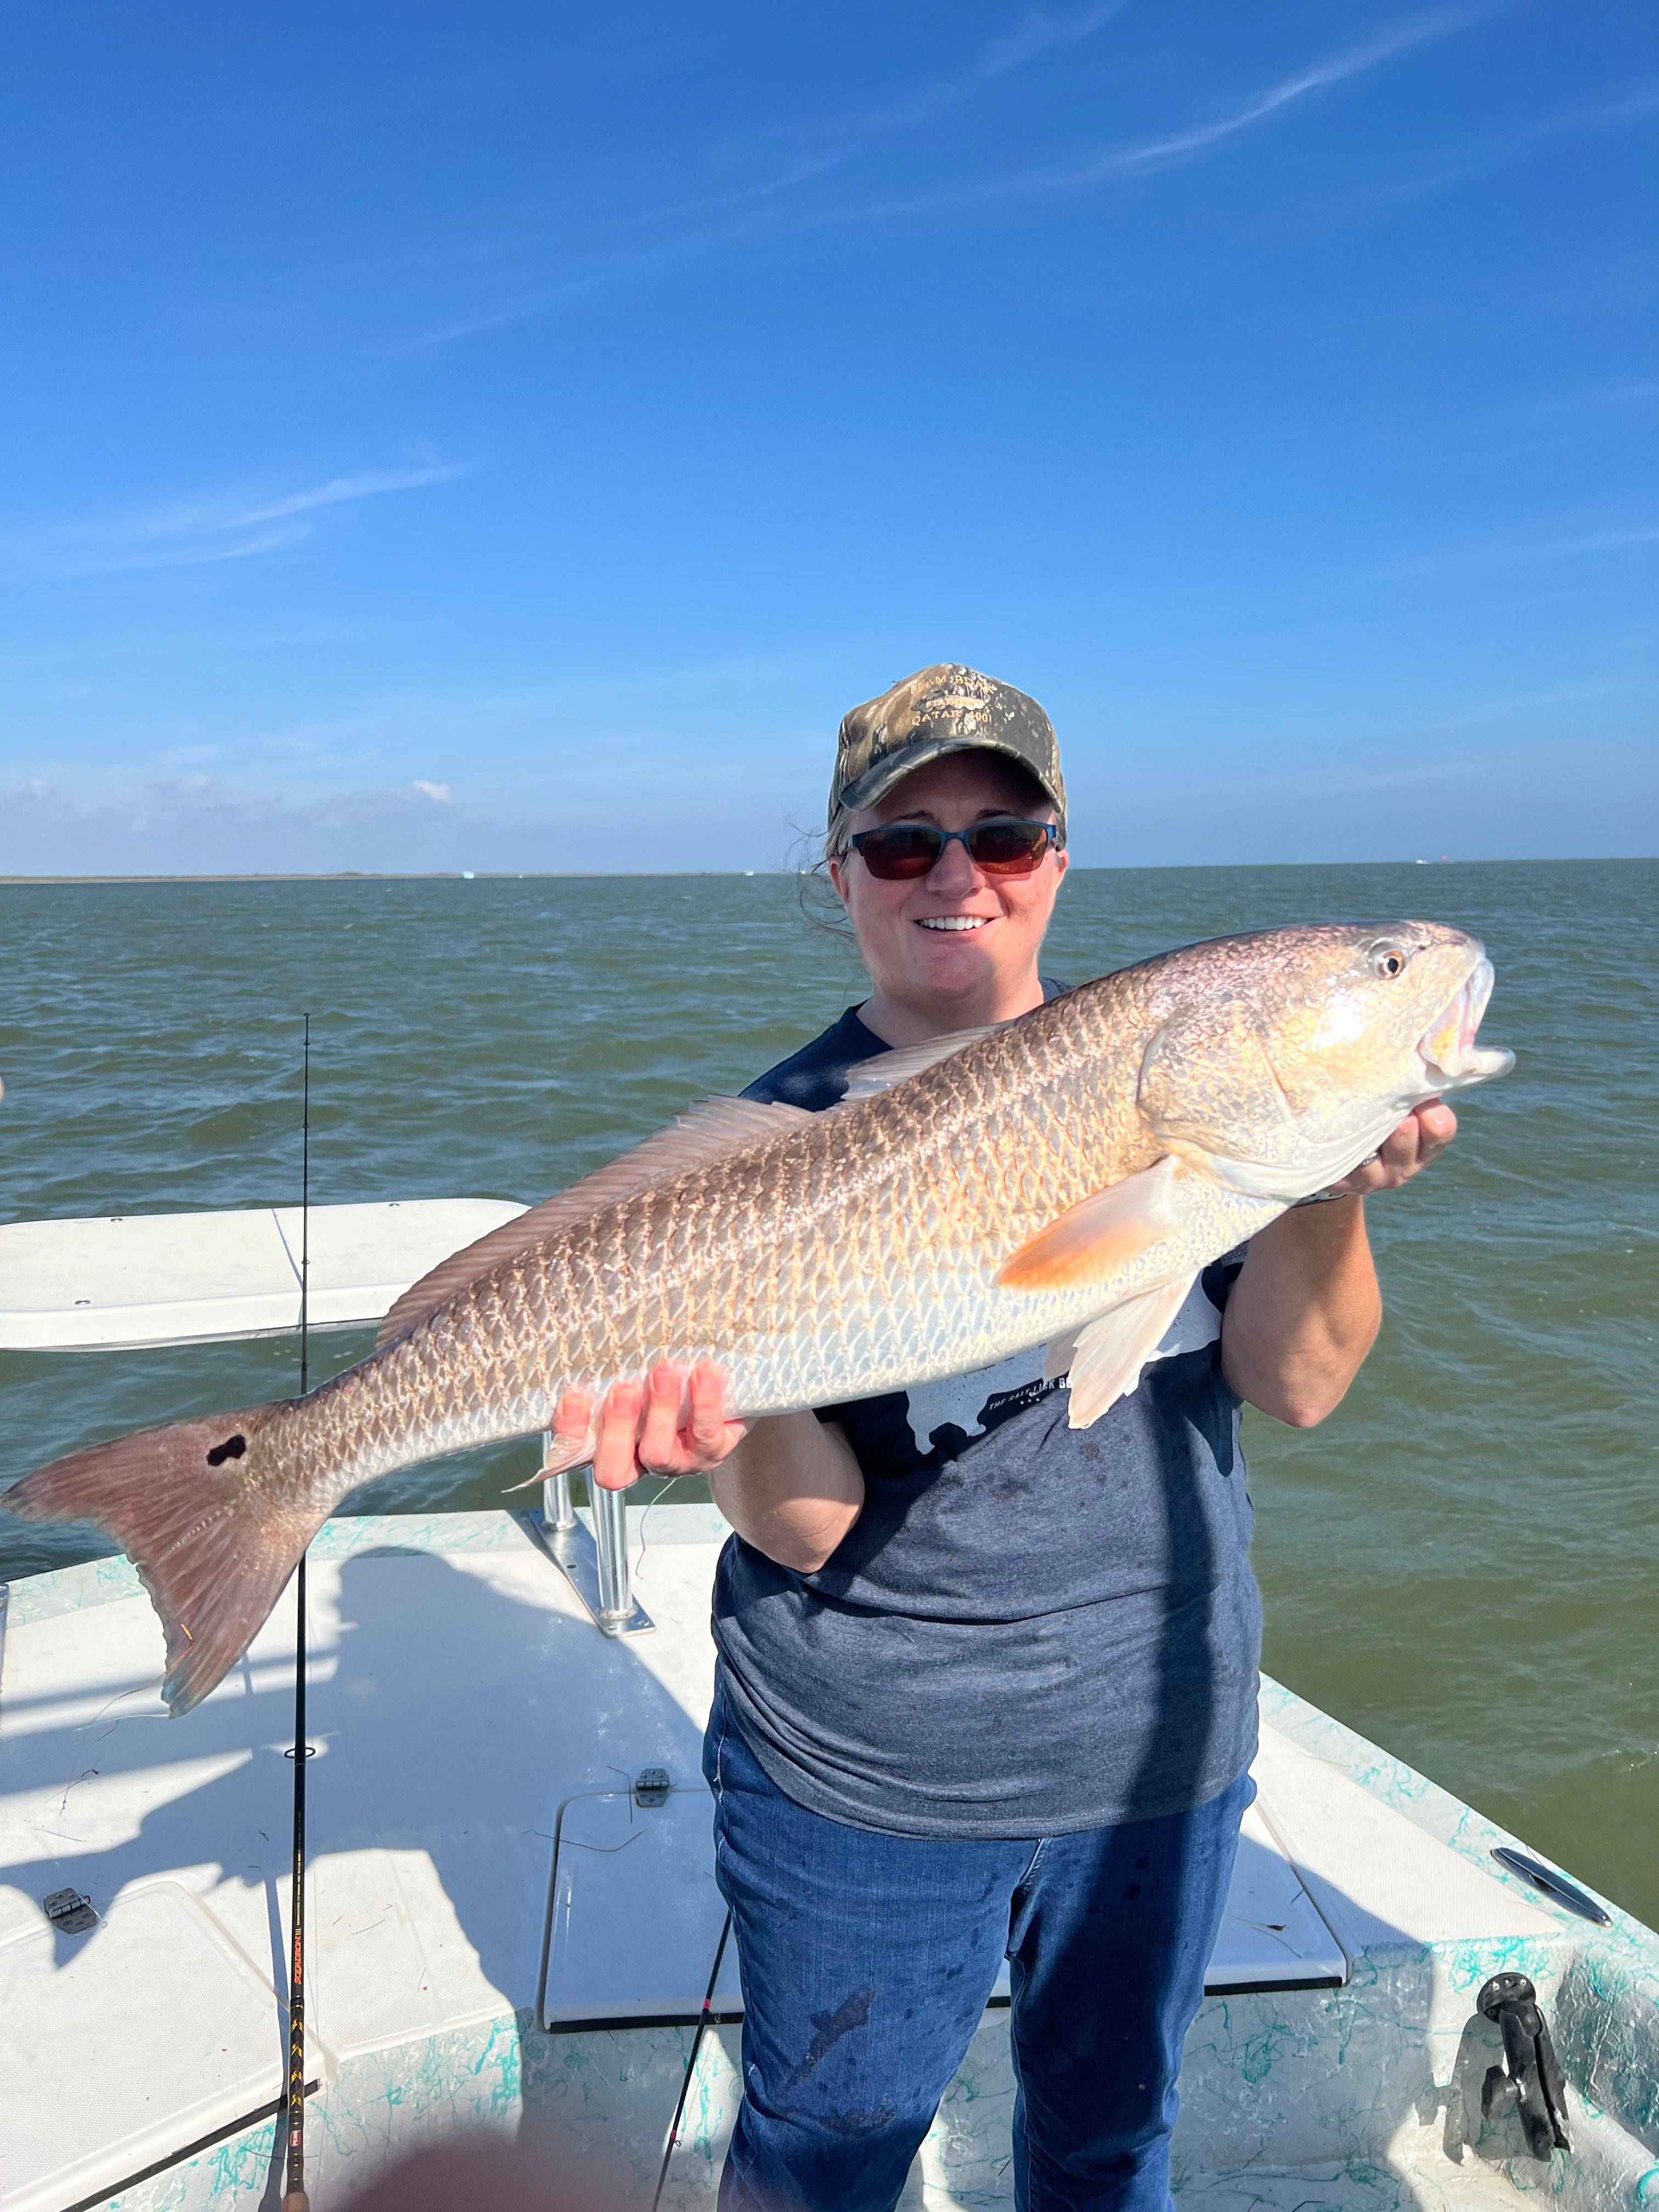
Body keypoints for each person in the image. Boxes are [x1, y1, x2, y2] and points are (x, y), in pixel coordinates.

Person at [545, 665, 1457, 2212]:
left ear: (1059, 862)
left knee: (1109, 2150)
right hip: (867, 1779)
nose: (957, 876)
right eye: (904, 843)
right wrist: (735, 1394)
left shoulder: (1197, 1091)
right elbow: (811, 1530)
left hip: (1160, 1752)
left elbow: (1297, 1385)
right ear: (841, 873)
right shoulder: (785, 1133)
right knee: (825, 2167)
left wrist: (1329, 1183)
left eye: (1006, 835)